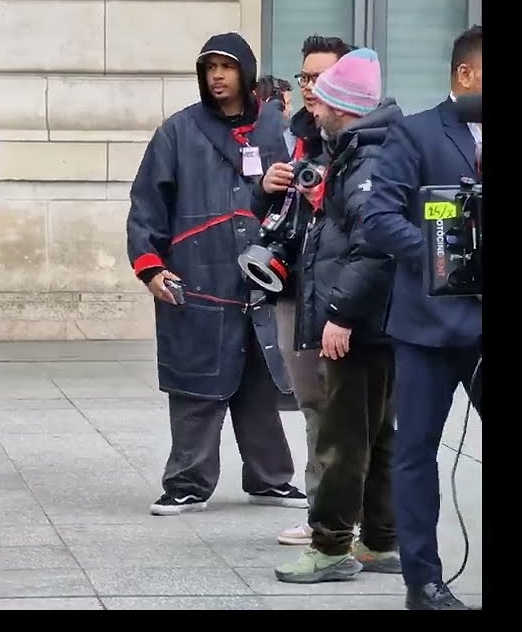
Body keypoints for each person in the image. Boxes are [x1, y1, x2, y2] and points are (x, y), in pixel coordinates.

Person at [126, 31, 305, 517]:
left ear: (246, 72)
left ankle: (270, 479)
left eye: (227, 67)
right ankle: (187, 482)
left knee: (259, 383)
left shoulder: (278, 131)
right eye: (210, 68)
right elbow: (146, 206)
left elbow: (298, 203)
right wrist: (150, 267)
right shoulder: (178, 131)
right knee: (195, 386)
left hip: (262, 279)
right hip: (196, 278)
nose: (218, 76)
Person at [256, 48, 405, 583]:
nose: (312, 106)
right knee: (378, 433)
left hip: (357, 323)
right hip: (379, 323)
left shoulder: (365, 163)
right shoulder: (369, 151)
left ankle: (332, 545)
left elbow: (372, 248)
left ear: (342, 107)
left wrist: (338, 315)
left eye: (323, 98)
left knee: (343, 438)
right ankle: (382, 541)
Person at [361, 24, 482, 611]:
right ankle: (423, 581)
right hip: (428, 327)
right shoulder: (413, 134)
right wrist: (443, 254)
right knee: (417, 454)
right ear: (466, 74)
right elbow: (379, 220)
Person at [268, 35, 356, 546]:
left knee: (352, 405)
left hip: (342, 292)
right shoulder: (288, 136)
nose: (309, 87)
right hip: (292, 286)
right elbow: (264, 214)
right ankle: (322, 509)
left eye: (320, 77)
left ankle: (355, 512)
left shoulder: (363, 139)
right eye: (304, 77)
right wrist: (270, 188)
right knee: (310, 404)